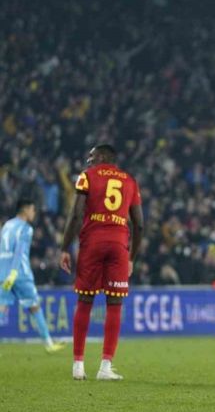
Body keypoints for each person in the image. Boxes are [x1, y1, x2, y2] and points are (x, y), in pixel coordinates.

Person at [60, 144, 144, 380]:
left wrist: (65, 248)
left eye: (92, 156)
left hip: (92, 243)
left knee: (84, 300)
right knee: (114, 303)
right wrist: (131, 257)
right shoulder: (130, 181)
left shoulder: (86, 177)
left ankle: (78, 365)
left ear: (104, 157)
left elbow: (76, 214)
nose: (88, 160)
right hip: (119, 245)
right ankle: (105, 367)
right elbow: (139, 225)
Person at [0, 199, 65, 353]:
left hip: (3, 271)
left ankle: (49, 343)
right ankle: (49, 343)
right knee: (34, 306)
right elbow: (19, 252)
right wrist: (14, 273)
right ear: (26, 209)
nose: (34, 213)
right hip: (20, 273)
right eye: (33, 209)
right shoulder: (26, 228)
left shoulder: (7, 225)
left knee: (1, 307)